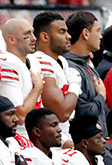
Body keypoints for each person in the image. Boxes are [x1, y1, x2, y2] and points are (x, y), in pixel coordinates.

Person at [28, 12, 77, 148]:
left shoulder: (61, 61)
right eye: (62, 32)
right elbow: (61, 113)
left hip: (64, 134)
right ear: (45, 36)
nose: (69, 36)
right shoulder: (40, 60)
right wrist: (75, 84)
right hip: (52, 142)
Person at [0, 18, 43, 137]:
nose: (34, 38)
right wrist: (38, 87)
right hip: (18, 137)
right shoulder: (6, 61)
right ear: (11, 39)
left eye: (32, 32)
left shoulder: (33, 62)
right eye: (27, 34)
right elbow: (19, 116)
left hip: (35, 135)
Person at [64, 11, 109, 134]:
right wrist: (101, 96)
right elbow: (84, 112)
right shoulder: (69, 68)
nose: (101, 36)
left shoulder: (89, 68)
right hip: (82, 147)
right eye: (98, 30)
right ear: (85, 33)